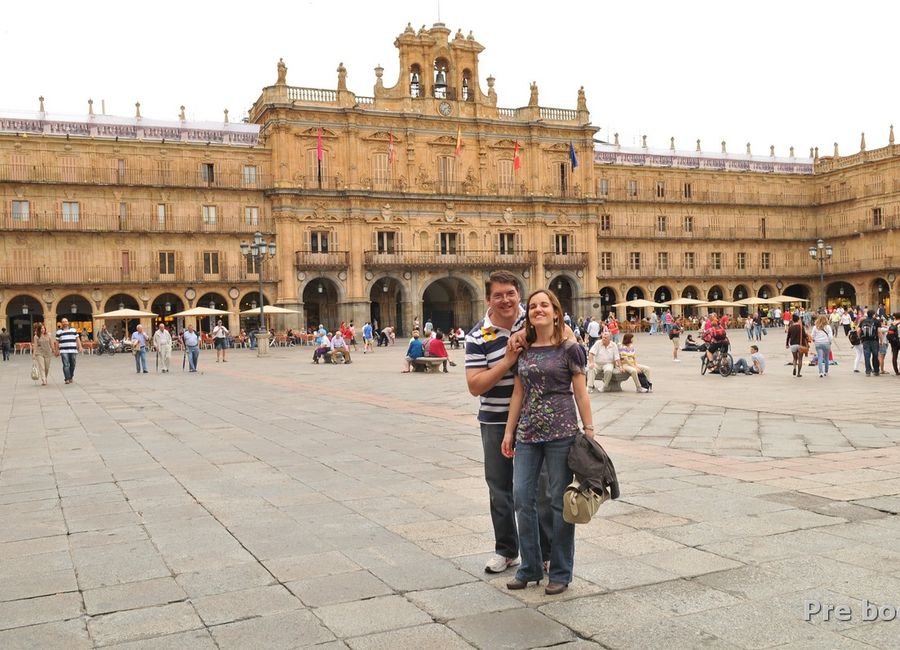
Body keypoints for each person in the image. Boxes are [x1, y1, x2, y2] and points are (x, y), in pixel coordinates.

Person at [501, 288, 593, 596]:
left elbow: (580, 392)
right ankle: (530, 566)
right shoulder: (523, 349)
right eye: (533, 306)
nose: (538, 309)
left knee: (558, 501)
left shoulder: (570, 349)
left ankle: (561, 571)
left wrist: (589, 430)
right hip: (527, 432)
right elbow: (518, 393)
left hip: (562, 431)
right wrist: (509, 431)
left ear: (556, 312)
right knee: (522, 497)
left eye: (544, 305)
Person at [466, 270, 553, 576]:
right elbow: (475, 386)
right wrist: (506, 360)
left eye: (511, 294)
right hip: (493, 420)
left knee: (541, 488)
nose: (506, 300)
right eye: (498, 295)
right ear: (488, 299)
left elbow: (564, 341)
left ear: (520, 295)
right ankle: (507, 550)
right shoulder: (477, 336)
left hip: (534, 420)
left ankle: (546, 552)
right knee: (499, 487)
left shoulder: (534, 322)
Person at [54, 317, 82, 384]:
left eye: (66, 321)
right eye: (63, 322)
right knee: (66, 365)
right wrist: (56, 350)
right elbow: (57, 342)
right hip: (64, 351)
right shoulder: (59, 332)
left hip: (73, 350)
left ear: (68, 322)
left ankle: (71, 377)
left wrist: (80, 346)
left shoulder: (73, 330)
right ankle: (67, 378)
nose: (65, 323)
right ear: (61, 323)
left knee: (73, 364)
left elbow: (77, 339)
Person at [785, 313, 809, 378]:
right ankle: (798, 373)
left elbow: (788, 336)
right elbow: (804, 335)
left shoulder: (790, 327)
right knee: (800, 359)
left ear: (792, 320)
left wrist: (787, 344)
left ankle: (794, 367)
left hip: (792, 344)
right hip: (800, 344)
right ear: (798, 319)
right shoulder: (801, 327)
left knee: (795, 358)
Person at [858, 309, 880, 376]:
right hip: (874, 340)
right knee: (875, 355)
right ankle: (876, 371)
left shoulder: (863, 321)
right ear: (873, 314)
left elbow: (858, 330)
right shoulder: (876, 321)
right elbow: (879, 331)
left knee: (867, 356)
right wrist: (881, 340)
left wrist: (860, 338)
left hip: (865, 341)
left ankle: (868, 371)